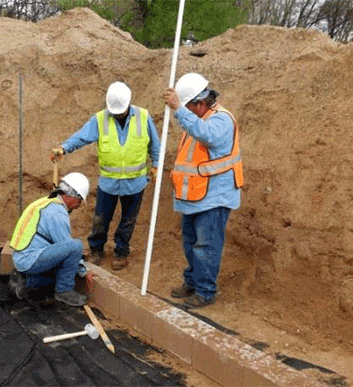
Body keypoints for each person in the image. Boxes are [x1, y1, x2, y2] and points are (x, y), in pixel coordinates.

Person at [51, 82, 161, 270]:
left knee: (128, 220)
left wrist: (157, 165)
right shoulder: (101, 119)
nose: (117, 114)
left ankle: (121, 251)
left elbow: (155, 145)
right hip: (109, 182)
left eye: (120, 111)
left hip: (135, 183)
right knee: (101, 218)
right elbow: (81, 136)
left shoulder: (143, 117)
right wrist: (64, 148)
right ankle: (96, 249)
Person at [163, 73, 244, 308]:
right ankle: (192, 280)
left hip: (215, 197)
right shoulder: (198, 119)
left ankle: (206, 291)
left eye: (188, 107)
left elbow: (206, 135)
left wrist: (178, 108)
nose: (185, 113)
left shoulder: (221, 120)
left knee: (206, 246)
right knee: (190, 242)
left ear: (199, 103)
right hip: (195, 196)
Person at [9, 172, 91, 307]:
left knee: (62, 270)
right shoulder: (57, 212)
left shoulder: (45, 202)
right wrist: (83, 271)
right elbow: (67, 245)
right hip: (30, 260)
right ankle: (64, 291)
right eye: (80, 200)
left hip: (22, 258)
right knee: (76, 246)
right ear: (71, 196)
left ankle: (25, 282)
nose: (79, 206)